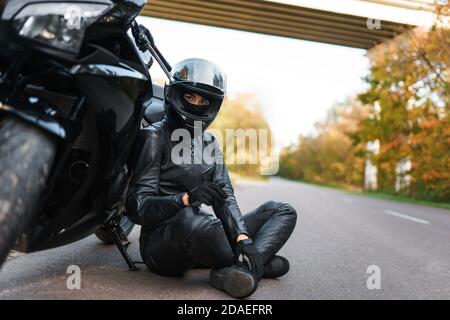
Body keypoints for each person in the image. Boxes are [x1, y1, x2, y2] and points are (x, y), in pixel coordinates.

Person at [126, 58, 297, 298]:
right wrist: (184, 199)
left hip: (204, 232)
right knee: (190, 218)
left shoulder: (210, 142)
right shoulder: (153, 137)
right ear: (173, 94)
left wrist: (243, 238)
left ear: (212, 105)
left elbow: (225, 196)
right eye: (190, 97)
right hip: (163, 246)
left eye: (203, 100)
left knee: (282, 211)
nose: (196, 104)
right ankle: (251, 265)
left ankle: (236, 268)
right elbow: (137, 207)